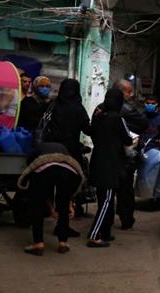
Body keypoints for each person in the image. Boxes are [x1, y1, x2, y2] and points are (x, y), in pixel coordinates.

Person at [42, 78, 92, 236]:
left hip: (50, 151)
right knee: (67, 190)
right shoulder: (77, 108)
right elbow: (87, 129)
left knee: (48, 185)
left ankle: (45, 221)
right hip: (70, 154)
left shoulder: (53, 104)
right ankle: (62, 226)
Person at [17, 142, 84, 255]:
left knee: (37, 203)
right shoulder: (63, 147)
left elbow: (30, 163)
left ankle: (38, 243)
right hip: (69, 171)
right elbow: (68, 192)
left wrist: (50, 208)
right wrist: (69, 205)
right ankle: (63, 243)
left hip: (44, 168)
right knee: (63, 201)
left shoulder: (38, 147)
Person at [87, 88, 133, 247]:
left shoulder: (99, 117)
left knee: (102, 200)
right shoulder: (118, 119)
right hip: (110, 164)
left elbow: (91, 133)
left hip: (97, 161)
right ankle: (94, 235)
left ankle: (105, 232)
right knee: (107, 201)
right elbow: (128, 140)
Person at [113, 79, 149, 230]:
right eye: (128, 92)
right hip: (125, 156)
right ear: (121, 92)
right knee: (126, 189)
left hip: (110, 154)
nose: (132, 95)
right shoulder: (127, 109)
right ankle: (126, 219)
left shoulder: (104, 107)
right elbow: (143, 123)